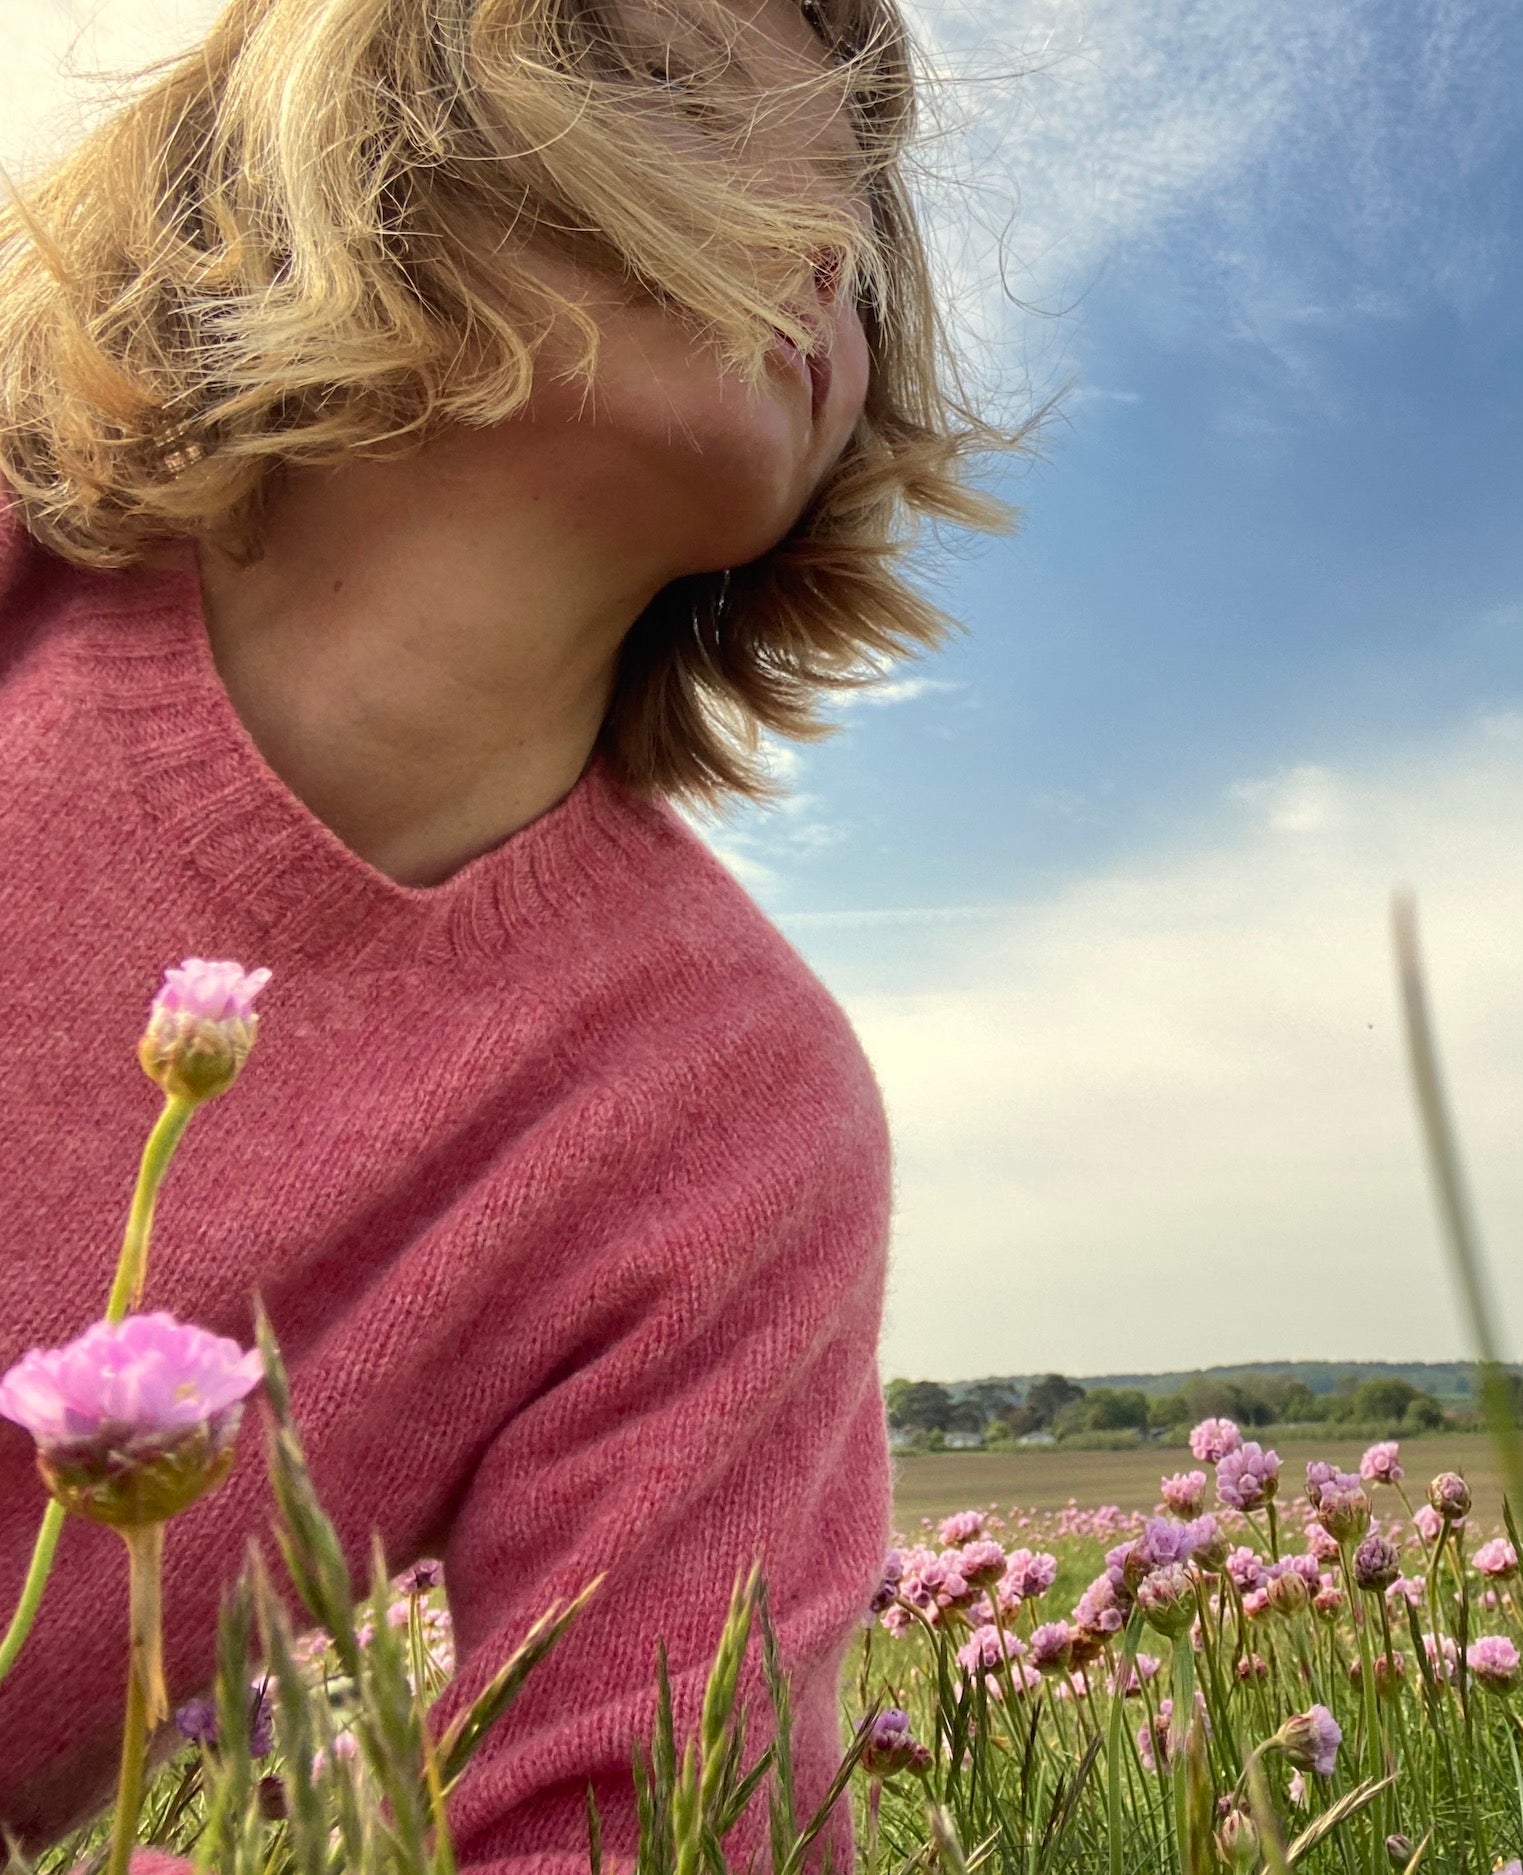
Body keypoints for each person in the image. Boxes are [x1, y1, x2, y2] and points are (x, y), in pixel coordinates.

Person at [0, 0, 1004, 1867]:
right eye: (673, 90)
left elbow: (643, 1823)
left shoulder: (735, 1118)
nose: (806, 234)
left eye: (857, 237)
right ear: (360, 131)